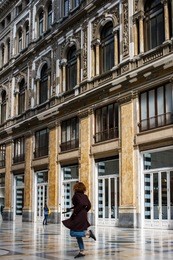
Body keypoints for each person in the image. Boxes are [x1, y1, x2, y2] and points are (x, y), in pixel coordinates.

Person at [62, 182, 96, 258]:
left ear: (76, 188)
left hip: (78, 216)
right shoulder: (85, 196)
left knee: (72, 232)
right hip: (83, 215)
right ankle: (82, 251)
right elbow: (88, 205)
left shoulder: (76, 196)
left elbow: (80, 204)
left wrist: (75, 213)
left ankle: (88, 234)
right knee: (78, 235)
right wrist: (84, 211)